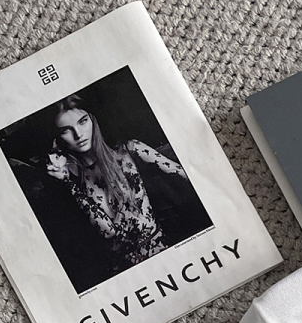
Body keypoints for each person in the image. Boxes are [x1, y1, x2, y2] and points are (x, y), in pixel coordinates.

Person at [44, 95, 192, 275]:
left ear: (93, 120)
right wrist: (68, 182)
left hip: (162, 251)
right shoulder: (71, 178)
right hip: (124, 271)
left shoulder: (129, 150)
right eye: (66, 130)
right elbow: (109, 231)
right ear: (58, 138)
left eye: (83, 122)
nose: (78, 134)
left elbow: (182, 172)